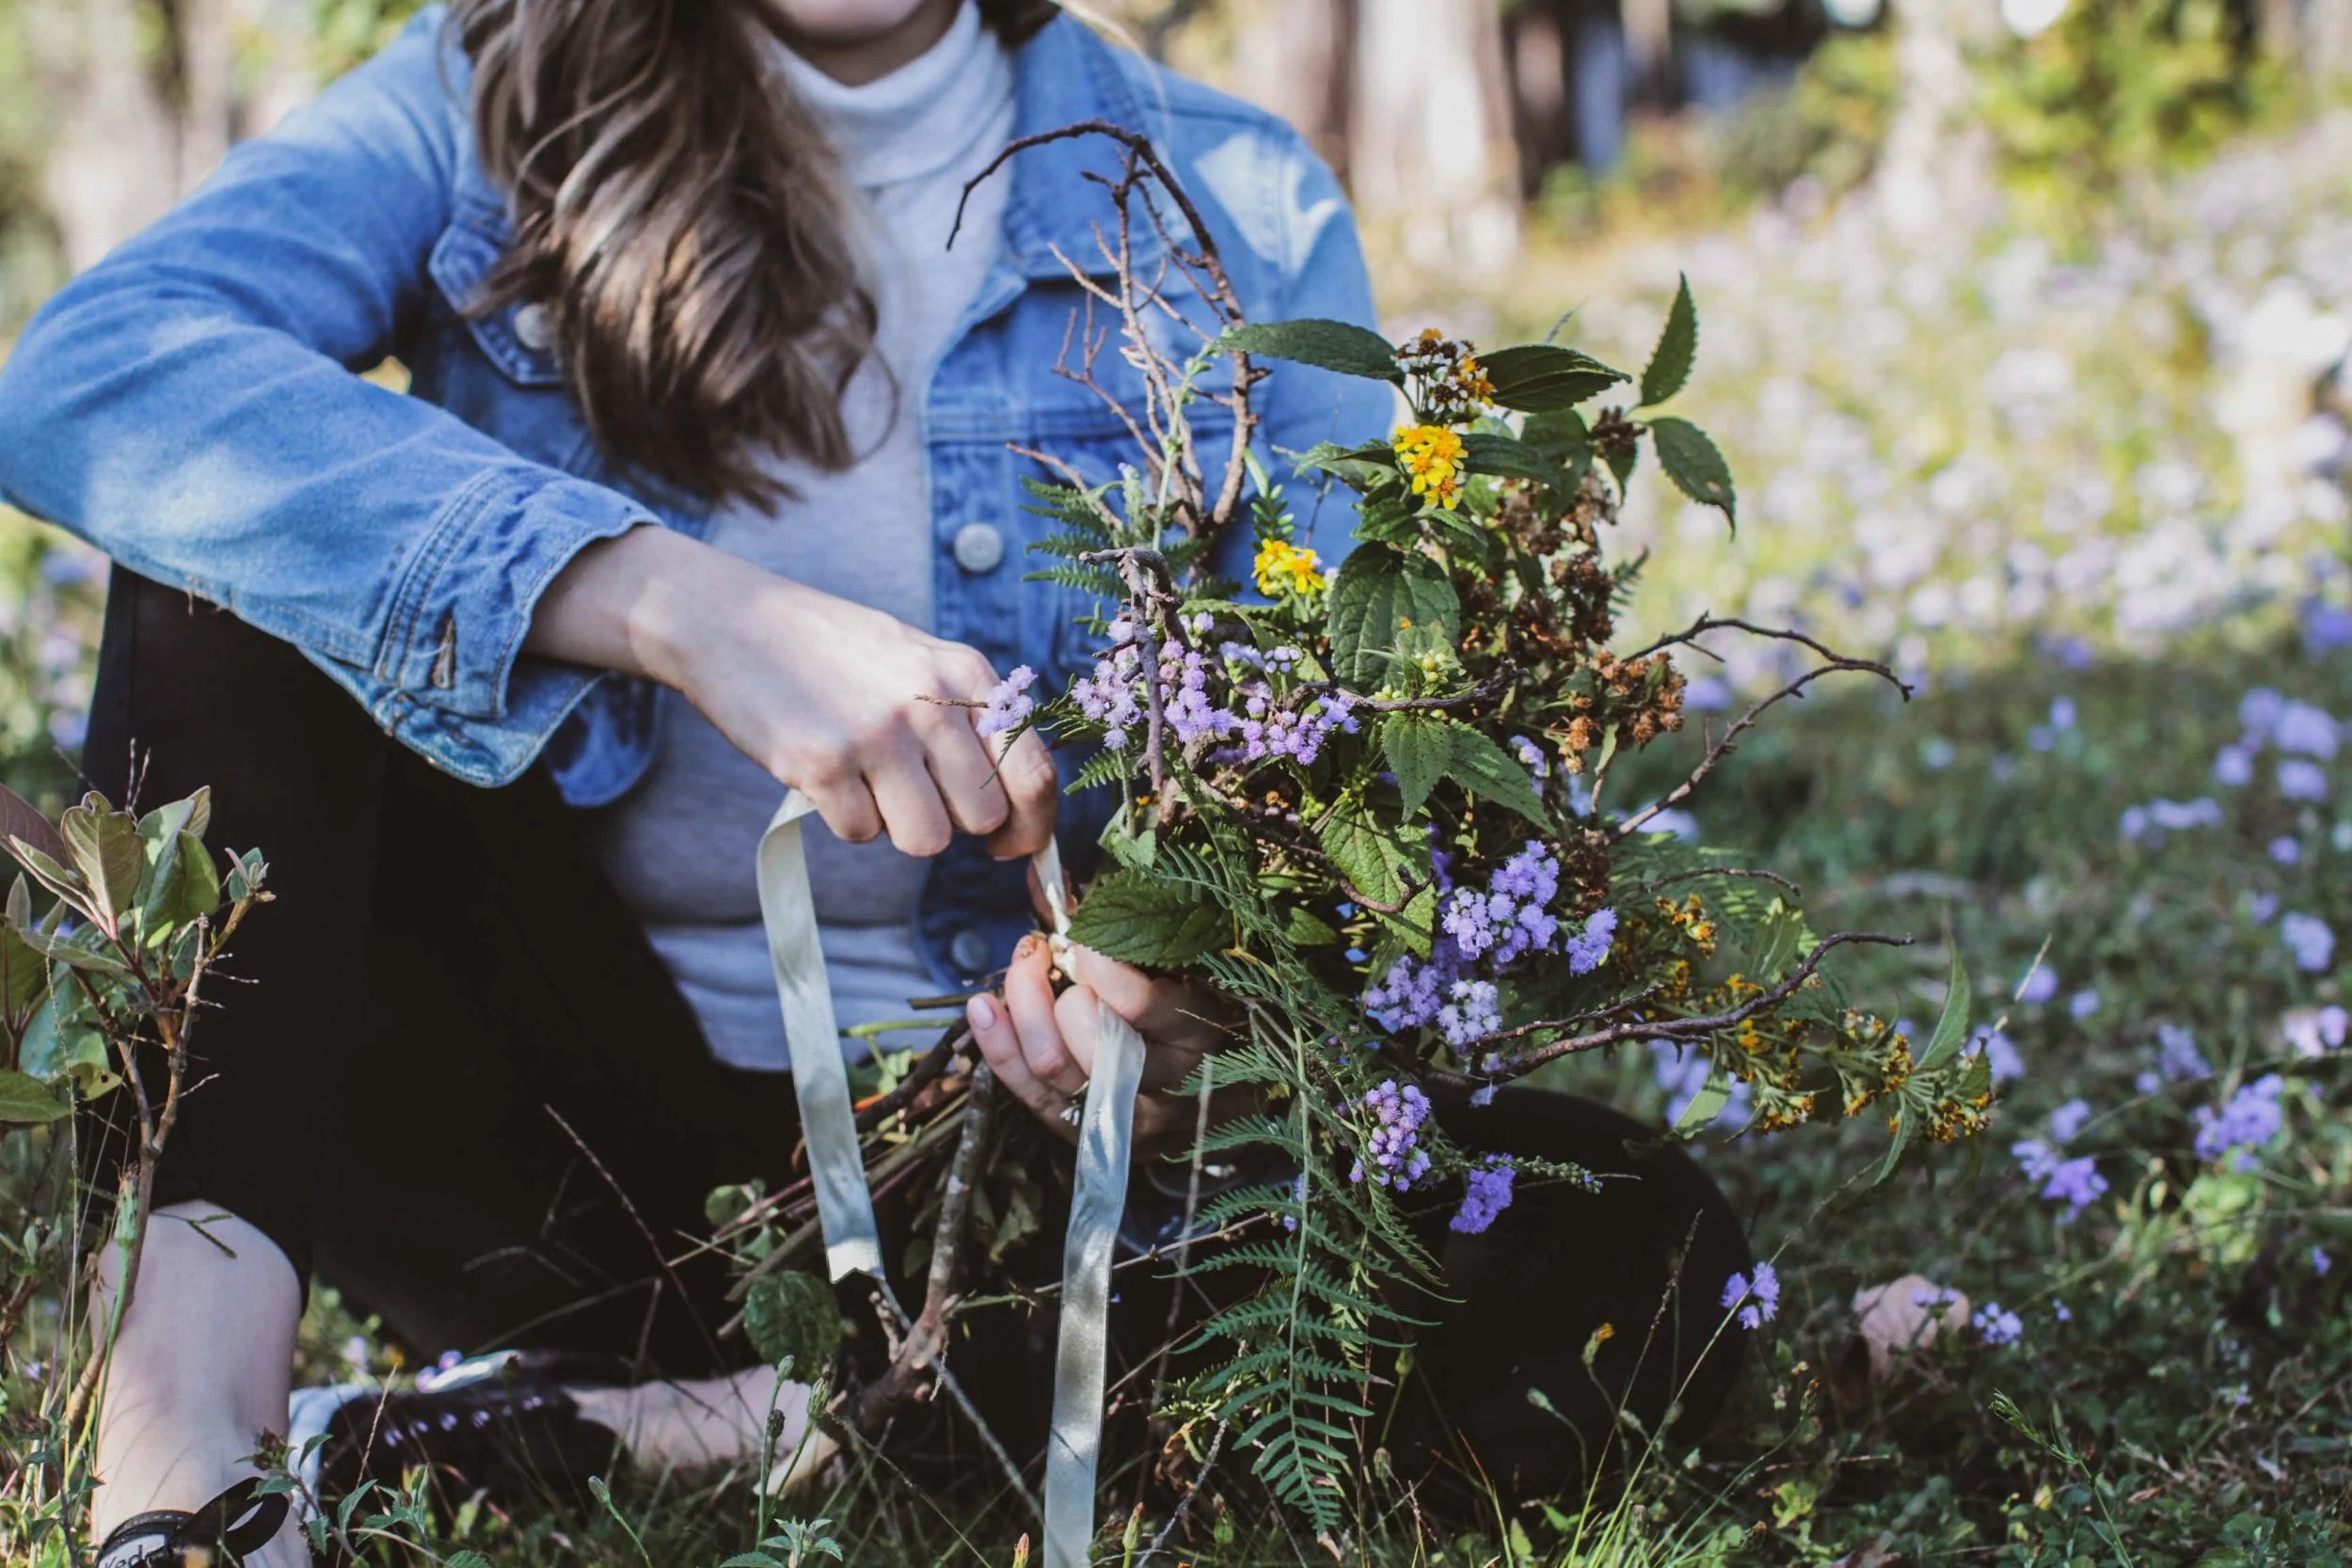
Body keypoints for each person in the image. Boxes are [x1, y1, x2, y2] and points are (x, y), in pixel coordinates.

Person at [0, 4, 1754, 1563]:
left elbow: (1334, 748)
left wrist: (1198, 1006)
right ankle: (185, 1472)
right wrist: (679, 605)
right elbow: (89, 374)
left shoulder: (1234, 191)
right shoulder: (484, 98)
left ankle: (737, 1418)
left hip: (989, 1176)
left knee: (1637, 1237)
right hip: (538, 1129)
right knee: (231, 548)